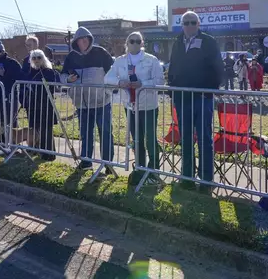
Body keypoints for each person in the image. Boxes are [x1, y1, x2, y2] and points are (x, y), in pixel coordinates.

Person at [168, 11, 223, 190]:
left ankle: (206, 180)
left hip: (202, 97)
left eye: (193, 22)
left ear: (198, 24)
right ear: (182, 25)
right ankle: (187, 176)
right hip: (182, 98)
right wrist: (173, 91)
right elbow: (173, 67)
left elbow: (218, 68)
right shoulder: (177, 42)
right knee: (185, 138)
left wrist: (209, 89)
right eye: (186, 22)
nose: (189, 26)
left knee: (204, 138)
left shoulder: (208, 41)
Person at [105, 31, 164, 185]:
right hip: (130, 106)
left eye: (138, 41)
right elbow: (107, 78)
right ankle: (140, 168)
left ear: (142, 43)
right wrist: (119, 83)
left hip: (149, 105)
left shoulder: (151, 60)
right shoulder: (120, 61)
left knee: (150, 139)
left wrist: (142, 84)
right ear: (127, 43)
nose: (135, 43)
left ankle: (154, 171)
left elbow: (160, 81)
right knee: (137, 139)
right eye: (132, 41)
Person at [61, 27, 115, 173]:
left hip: (101, 102)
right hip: (82, 104)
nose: (83, 42)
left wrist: (107, 92)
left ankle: (108, 164)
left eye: (86, 39)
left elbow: (113, 73)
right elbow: (62, 76)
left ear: (90, 39)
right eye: (80, 40)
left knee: (105, 132)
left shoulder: (101, 53)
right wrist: (68, 79)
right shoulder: (71, 57)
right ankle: (86, 162)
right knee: (85, 133)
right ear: (76, 42)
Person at [24, 49, 59, 161]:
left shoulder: (48, 71)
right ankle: (40, 152)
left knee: (46, 130)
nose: (36, 60)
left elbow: (52, 88)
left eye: (39, 57)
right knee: (37, 129)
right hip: (33, 105)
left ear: (43, 58)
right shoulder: (30, 72)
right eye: (34, 58)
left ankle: (49, 155)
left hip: (45, 104)